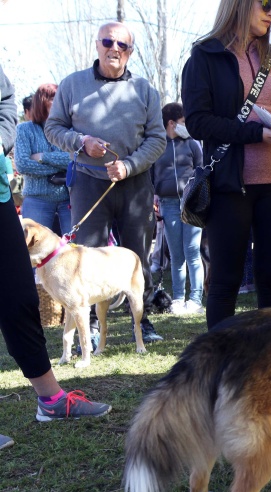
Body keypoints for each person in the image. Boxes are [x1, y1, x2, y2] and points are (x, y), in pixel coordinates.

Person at [0, 64, 111, 452]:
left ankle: (50, 400)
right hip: (34, 202)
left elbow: (5, 104)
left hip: (1, 198)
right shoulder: (33, 130)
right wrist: (52, 158)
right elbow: (31, 161)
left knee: (20, 298)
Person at [181, 0, 271, 330]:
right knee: (226, 281)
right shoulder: (205, 56)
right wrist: (255, 133)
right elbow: (197, 122)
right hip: (229, 184)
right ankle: (219, 358)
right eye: (265, 4)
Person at [45, 22, 167, 344]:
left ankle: (141, 321)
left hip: (135, 184)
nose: (115, 49)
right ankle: (91, 326)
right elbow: (53, 128)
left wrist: (129, 165)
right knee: (86, 259)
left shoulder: (145, 90)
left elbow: (157, 139)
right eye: (108, 42)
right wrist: (81, 142)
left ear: (131, 52)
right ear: (97, 45)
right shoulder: (72, 85)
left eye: (122, 45)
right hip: (87, 182)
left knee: (137, 256)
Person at [151, 102, 205, 314]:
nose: (187, 125)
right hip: (169, 204)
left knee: (192, 251)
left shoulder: (193, 144)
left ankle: (196, 300)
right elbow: (151, 176)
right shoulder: (157, 146)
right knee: (176, 254)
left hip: (191, 203)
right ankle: (178, 299)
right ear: (171, 123)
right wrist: (154, 197)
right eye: (183, 121)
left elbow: (202, 170)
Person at [15, 84, 71, 236]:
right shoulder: (24, 129)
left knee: (74, 247)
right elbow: (23, 165)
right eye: (54, 98)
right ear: (42, 102)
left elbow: (74, 159)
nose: (60, 101)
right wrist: (61, 165)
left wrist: (42, 157)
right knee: (35, 247)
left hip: (69, 200)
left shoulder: (71, 129)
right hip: (36, 200)